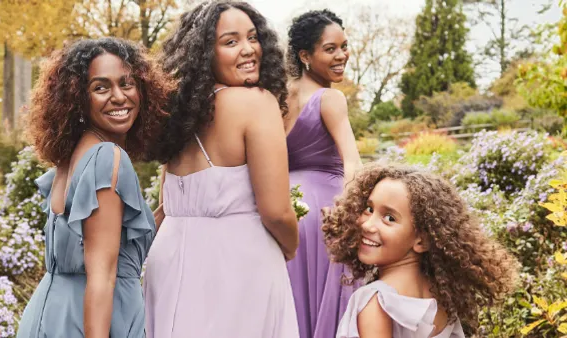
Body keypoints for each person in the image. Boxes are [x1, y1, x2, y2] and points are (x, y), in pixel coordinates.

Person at [143, 1, 299, 337]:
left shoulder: (179, 116)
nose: (248, 50)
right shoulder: (256, 102)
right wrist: (290, 245)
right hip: (237, 264)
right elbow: (275, 211)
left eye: (253, 38)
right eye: (230, 42)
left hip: (168, 261)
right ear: (204, 53)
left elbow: (165, 208)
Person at [17, 37, 171, 338]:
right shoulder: (106, 158)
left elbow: (112, 236)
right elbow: (101, 276)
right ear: (79, 99)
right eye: (101, 87)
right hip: (89, 322)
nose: (119, 96)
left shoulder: (76, 153)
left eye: (126, 84)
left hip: (52, 315)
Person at [322, 163, 520, 337]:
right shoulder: (442, 300)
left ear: (422, 241)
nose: (367, 225)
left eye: (390, 218)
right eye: (369, 209)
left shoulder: (376, 300)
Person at [284, 9, 362, 338]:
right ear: (305, 55)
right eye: (330, 49)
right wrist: (348, 209)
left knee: (294, 302)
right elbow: (353, 162)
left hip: (286, 211)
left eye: (344, 46)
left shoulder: (278, 97)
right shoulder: (330, 98)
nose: (342, 55)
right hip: (326, 215)